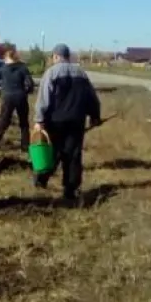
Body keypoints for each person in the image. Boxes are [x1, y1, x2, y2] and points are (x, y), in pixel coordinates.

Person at [33, 44, 101, 202]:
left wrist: (39, 120)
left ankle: (41, 179)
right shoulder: (81, 73)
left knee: (52, 152)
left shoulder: (51, 73)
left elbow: (43, 99)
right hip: (77, 121)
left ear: (56, 56)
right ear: (68, 56)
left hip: (55, 121)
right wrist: (95, 116)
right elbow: (92, 96)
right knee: (73, 155)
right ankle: (70, 189)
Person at [0, 49, 35, 153]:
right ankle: (25, 147)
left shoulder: (2, 69)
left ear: (6, 58)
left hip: (7, 97)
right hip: (20, 97)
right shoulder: (23, 68)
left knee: (3, 122)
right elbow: (30, 84)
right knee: (24, 123)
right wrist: (26, 92)